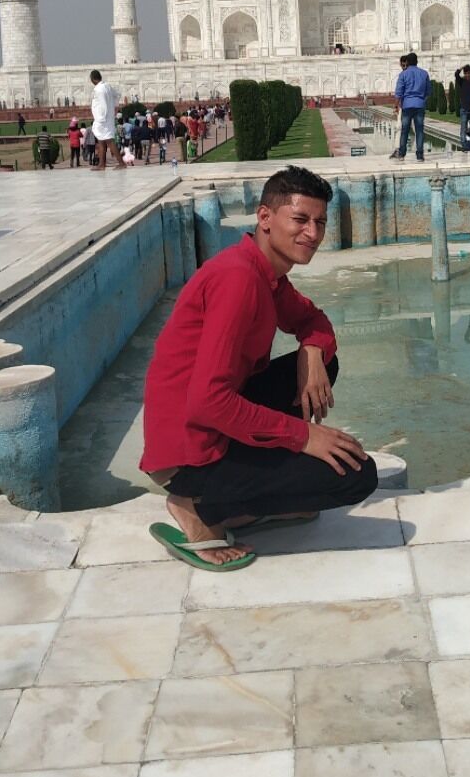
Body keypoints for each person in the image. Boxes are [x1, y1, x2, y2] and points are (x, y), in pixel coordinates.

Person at [140, 165, 377, 569]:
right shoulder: (238, 280)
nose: (313, 233)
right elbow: (208, 402)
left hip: (207, 427)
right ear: (265, 218)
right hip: (188, 451)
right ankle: (198, 507)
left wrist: (312, 353)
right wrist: (304, 437)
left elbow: (313, 320)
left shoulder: (264, 273)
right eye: (300, 220)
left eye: (320, 222)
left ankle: (244, 506)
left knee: (326, 365)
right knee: (358, 475)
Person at [391, 52, 431, 162]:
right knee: (419, 130)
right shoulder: (424, 74)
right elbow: (428, 91)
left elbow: (398, 92)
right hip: (419, 105)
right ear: (417, 61)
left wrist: (396, 106)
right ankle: (420, 155)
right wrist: (422, 101)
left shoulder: (403, 74)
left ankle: (402, 154)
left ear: (407, 62)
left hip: (407, 105)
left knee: (405, 130)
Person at [89, 70, 124, 169]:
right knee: (101, 141)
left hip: (102, 119)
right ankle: (101, 164)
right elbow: (117, 94)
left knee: (109, 141)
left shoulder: (99, 89)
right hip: (108, 118)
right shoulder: (107, 86)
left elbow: (103, 105)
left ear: (92, 79)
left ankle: (121, 163)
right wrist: (113, 106)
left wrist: (101, 118)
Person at [455, 65, 470, 151]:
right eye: (466, 73)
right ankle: (464, 145)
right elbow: (456, 74)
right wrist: (462, 67)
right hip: (464, 109)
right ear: (464, 74)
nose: (468, 75)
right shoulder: (462, 81)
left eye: (469, 73)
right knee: (464, 128)